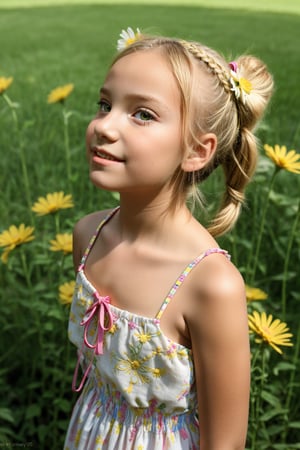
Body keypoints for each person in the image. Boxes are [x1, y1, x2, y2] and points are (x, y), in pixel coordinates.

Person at [64, 27, 273, 450]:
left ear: (197, 150)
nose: (104, 126)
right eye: (105, 105)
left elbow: (225, 443)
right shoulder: (88, 236)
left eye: (142, 114)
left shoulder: (210, 285)